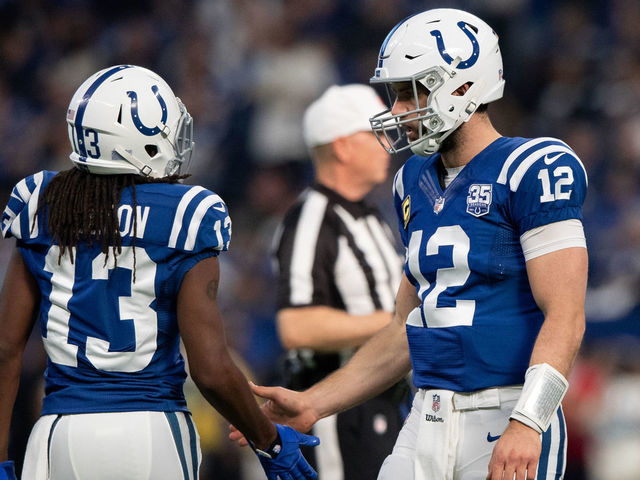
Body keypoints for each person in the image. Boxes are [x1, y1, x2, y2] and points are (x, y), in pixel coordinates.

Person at [233, 8, 588, 480]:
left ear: (462, 86)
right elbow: (406, 326)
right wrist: (313, 403)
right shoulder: (412, 181)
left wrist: (529, 419)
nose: (398, 111)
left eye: (408, 93)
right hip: (427, 413)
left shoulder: (534, 166)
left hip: (506, 408)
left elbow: (566, 315)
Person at [0, 64, 319, 480]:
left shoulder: (41, 202)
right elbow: (210, 369)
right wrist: (270, 441)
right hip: (149, 432)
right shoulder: (185, 214)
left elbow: (6, 347)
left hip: (59, 431)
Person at [272, 84, 411, 480]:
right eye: (374, 134)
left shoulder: (370, 214)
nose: (386, 144)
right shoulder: (313, 217)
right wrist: (397, 325)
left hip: (384, 398)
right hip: (339, 411)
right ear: (344, 146)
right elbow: (297, 326)